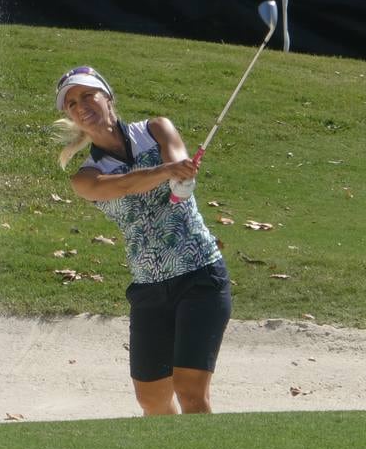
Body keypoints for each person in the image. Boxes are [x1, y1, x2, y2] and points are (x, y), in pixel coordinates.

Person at [53, 65, 232, 415]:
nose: (82, 105)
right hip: (149, 290)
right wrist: (168, 173)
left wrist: (183, 179)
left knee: (190, 391)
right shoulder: (87, 176)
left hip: (199, 275)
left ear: (107, 97)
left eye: (88, 95)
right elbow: (124, 186)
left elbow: (179, 168)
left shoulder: (156, 128)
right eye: (72, 103)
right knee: (151, 400)